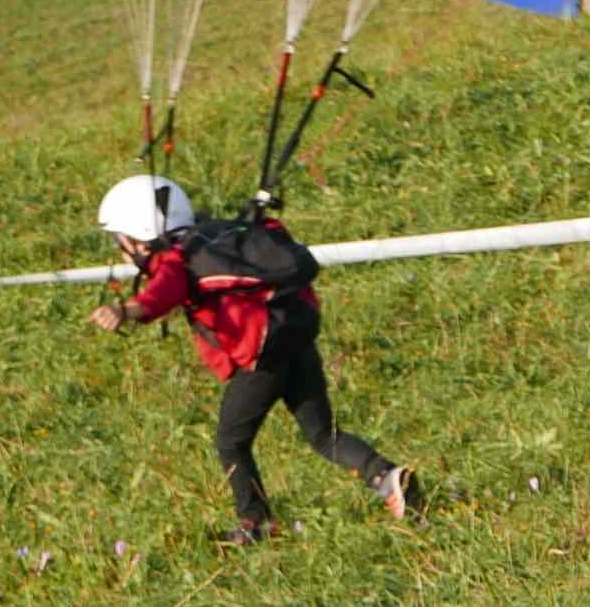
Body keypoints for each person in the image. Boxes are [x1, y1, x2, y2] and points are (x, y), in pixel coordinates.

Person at [86, 175, 417, 545]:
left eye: (120, 243)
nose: (121, 252)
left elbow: (165, 291)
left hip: (261, 360)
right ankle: (388, 477)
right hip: (296, 340)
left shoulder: (176, 260)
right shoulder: (217, 235)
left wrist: (128, 310)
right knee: (323, 434)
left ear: (137, 238)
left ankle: (255, 524)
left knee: (231, 442)